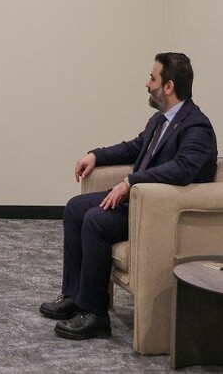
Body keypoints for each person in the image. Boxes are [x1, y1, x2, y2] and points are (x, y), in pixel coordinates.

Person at [40, 52, 218, 340]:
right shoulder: (160, 120)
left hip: (159, 212)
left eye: (152, 78)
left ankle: (95, 314)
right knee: (74, 209)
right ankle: (74, 295)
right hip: (139, 201)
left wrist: (131, 182)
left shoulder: (196, 127)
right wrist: (96, 155)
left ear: (169, 86)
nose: (147, 84)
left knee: (96, 220)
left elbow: (182, 169)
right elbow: (134, 148)